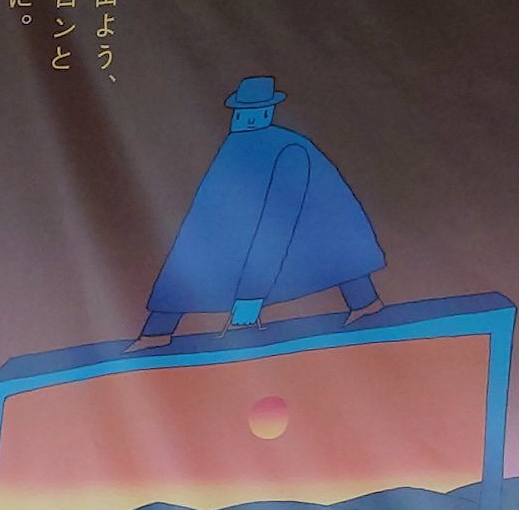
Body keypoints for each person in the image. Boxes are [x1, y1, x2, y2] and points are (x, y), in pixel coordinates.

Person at [131, 77, 386, 347]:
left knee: (332, 250)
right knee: (194, 259)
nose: (248, 119)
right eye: (243, 112)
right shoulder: (236, 145)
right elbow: (211, 210)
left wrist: (251, 296)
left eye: (255, 111)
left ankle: (364, 301)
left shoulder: (289, 148)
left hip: (302, 230)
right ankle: (157, 330)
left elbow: (279, 219)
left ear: (267, 112)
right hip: (249, 231)